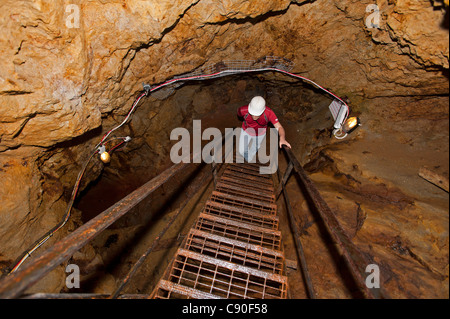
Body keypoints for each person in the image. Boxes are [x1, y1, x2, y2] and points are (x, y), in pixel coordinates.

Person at [237, 96, 291, 162]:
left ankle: (249, 158)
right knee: (241, 151)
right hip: (246, 130)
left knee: (255, 147)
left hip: (260, 134)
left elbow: (279, 127)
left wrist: (282, 138)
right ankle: (247, 156)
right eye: (252, 113)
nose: (254, 117)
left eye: (257, 114)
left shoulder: (269, 113)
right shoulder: (242, 110)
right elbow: (239, 115)